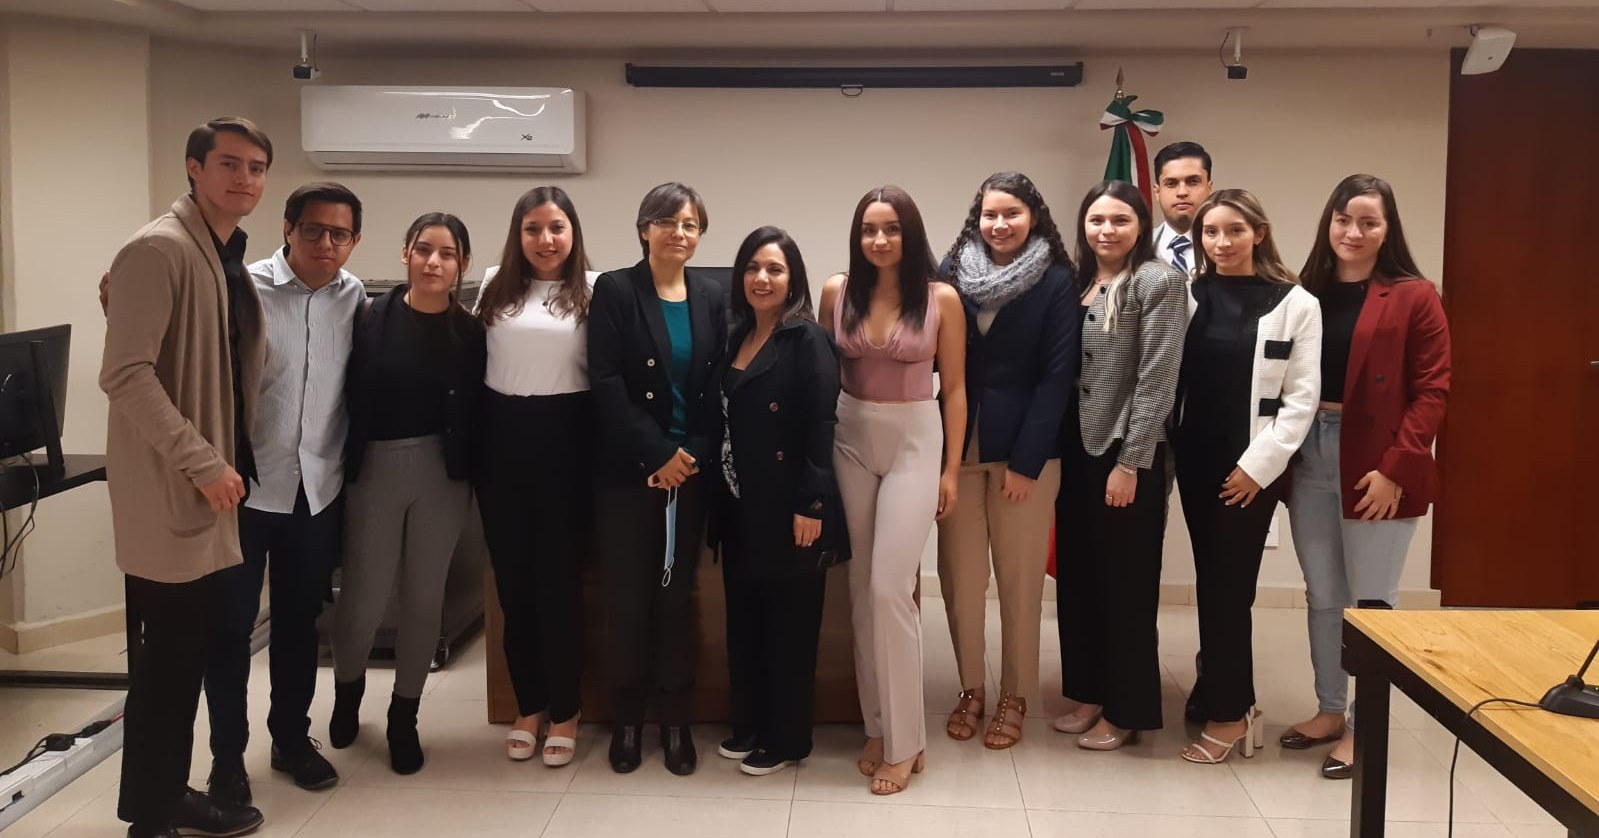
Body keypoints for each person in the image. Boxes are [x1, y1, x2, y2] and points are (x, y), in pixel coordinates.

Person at [100, 115, 271, 838]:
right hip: (178, 486)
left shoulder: (221, 253)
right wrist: (204, 462)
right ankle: (153, 817)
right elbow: (126, 373)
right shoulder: (160, 248)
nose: (245, 178)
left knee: (180, 658)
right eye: (229, 163)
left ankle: (162, 796)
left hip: (209, 487)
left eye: (257, 167)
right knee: (167, 664)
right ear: (193, 169)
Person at [1279, 175, 1451, 779]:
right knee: (1323, 596)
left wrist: (1395, 468)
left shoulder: (1414, 295)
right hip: (1311, 454)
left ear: (1387, 229)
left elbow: (1432, 391)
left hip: (1376, 460)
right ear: (1328, 223)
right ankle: (1330, 710)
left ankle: (1363, 726)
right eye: (1342, 219)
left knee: (1370, 602)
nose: (1353, 232)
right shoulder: (1304, 291)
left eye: (1368, 222)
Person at [205, 182, 366, 803]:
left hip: (315, 491)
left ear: (354, 240)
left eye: (340, 234)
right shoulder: (242, 288)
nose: (326, 244)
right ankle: (225, 758)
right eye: (314, 231)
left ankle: (291, 739)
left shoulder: (356, 300)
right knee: (231, 628)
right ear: (287, 228)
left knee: (301, 624)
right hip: (243, 490)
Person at [820, 185, 966, 796]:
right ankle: (878, 727)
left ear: (911, 234)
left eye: (891, 228)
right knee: (860, 590)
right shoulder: (837, 292)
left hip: (914, 440)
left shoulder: (941, 298)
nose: (879, 240)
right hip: (850, 436)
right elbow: (820, 372)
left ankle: (908, 743)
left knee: (890, 589)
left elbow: (955, 389)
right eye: (868, 229)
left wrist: (950, 471)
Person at [328, 213, 486, 776]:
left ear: (462, 265)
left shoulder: (471, 333)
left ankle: (404, 716)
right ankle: (347, 696)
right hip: (376, 472)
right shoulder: (368, 316)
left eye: (448, 254)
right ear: (405, 255)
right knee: (364, 599)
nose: (434, 262)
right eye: (424, 250)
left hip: (443, 478)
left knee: (424, 600)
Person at [1176, 189, 1321, 765]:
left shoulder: (1296, 303)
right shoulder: (1189, 293)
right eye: (1210, 233)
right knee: (1211, 580)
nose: (1221, 242)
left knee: (1229, 589)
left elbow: (1300, 400)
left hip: (1250, 469)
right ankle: (1226, 692)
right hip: (1194, 457)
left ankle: (1230, 715)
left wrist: (1257, 468)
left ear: (1258, 233)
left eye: (1234, 231)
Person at [934, 172, 1077, 750]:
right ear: (977, 217)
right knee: (961, 580)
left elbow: (1057, 376)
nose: (1000, 224)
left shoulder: (1056, 281)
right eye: (990, 214)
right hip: (957, 453)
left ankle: (1015, 694)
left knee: (1019, 583)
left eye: (1012, 213)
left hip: (1026, 456)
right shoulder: (949, 276)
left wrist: (1028, 460)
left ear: (1034, 217)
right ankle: (972, 688)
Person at [589, 182, 727, 776]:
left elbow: (718, 388)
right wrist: (655, 455)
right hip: (628, 474)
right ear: (644, 227)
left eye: (691, 224)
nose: (679, 232)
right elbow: (605, 382)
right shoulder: (616, 290)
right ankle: (627, 721)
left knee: (676, 600)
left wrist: (688, 456)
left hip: (689, 473)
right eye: (668, 221)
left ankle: (675, 721)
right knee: (628, 600)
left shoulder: (712, 295)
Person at [1051, 180, 1188, 751]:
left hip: (1125, 452)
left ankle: (1126, 707)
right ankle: (1087, 691)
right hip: (1075, 450)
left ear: (1140, 226)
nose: (1106, 231)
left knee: (1126, 586)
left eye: (1120, 220)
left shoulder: (1157, 281)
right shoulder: (1080, 282)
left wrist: (1131, 461)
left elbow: (1158, 375)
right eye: (1096, 220)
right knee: (1079, 578)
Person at [712, 226, 845, 777]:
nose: (761, 279)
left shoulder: (806, 339)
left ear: (793, 280)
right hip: (739, 505)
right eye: (752, 268)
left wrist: (811, 506)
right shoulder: (735, 333)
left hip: (790, 505)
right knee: (744, 623)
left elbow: (822, 425)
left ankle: (787, 738)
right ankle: (750, 723)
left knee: (788, 630)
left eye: (774, 269)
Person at [474, 186, 597, 767]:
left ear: (573, 233)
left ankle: (566, 710)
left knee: (559, 586)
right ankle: (530, 704)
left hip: (568, 446)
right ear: (517, 234)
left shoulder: (596, 292)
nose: (544, 241)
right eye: (532, 229)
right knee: (514, 587)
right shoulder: (495, 285)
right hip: (502, 446)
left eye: (556, 228)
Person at [1151, 141, 1214, 279]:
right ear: (1157, 192)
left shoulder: (1230, 248)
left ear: (1209, 188)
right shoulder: (1137, 249)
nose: (1182, 192)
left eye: (1193, 182)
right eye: (1171, 184)